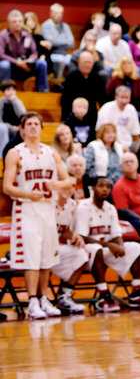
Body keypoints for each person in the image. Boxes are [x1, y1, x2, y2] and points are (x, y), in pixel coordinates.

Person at [2, 112, 72, 320]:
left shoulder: (51, 153)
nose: (33, 127)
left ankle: (44, 298)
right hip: (26, 209)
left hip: (48, 208)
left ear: (42, 129)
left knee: (47, 256)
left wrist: (58, 185)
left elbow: (68, 180)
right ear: (22, 129)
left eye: (36, 124)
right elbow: (6, 187)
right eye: (29, 124)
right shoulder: (15, 153)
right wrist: (27, 194)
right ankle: (32, 300)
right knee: (32, 256)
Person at [74, 177, 140, 311]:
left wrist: (119, 245)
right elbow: (82, 237)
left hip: (106, 248)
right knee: (96, 249)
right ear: (92, 188)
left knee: (137, 248)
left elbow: (116, 234)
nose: (105, 189)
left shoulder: (110, 208)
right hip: (87, 249)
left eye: (107, 187)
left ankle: (136, 292)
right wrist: (110, 246)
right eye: (101, 186)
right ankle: (103, 295)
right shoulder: (83, 207)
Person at [51, 178, 89, 314]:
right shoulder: (48, 202)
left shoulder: (72, 205)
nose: (68, 189)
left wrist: (74, 235)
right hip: (41, 247)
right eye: (65, 186)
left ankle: (65, 295)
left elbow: (64, 231)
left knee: (82, 253)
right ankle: (39, 299)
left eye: (71, 186)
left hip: (57, 247)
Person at [0, 9, 48, 92]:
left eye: (20, 21)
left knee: (42, 63)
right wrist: (16, 62)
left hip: (26, 65)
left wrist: (31, 60)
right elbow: (1, 54)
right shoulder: (3, 35)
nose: (17, 24)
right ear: (9, 23)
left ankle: (43, 91)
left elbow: (34, 52)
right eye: (14, 22)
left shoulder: (27, 35)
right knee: (4, 65)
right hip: (12, 65)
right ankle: (4, 91)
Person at [111, 152, 140, 237]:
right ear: (121, 167)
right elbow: (122, 210)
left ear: (137, 163)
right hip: (138, 221)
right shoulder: (118, 186)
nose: (129, 164)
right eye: (126, 162)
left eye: (132, 161)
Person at [105, 56, 140, 136]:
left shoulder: (138, 79)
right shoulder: (115, 79)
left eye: (129, 64)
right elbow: (107, 95)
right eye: (124, 64)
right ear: (120, 66)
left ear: (133, 66)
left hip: (136, 110)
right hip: (119, 110)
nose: (127, 66)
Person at [61, 50, 106, 128]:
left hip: (92, 116)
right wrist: (65, 118)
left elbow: (102, 99)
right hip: (74, 116)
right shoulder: (71, 77)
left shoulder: (97, 78)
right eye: (85, 62)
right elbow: (65, 100)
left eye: (89, 62)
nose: (87, 65)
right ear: (79, 63)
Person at [96, 85, 140, 150]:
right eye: (122, 97)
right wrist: (119, 147)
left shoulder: (131, 109)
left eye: (127, 98)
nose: (124, 101)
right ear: (116, 97)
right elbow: (101, 133)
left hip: (129, 145)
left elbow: (136, 133)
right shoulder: (106, 109)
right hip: (111, 146)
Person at [40, 3, 74, 79]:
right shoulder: (46, 25)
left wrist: (56, 40)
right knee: (60, 60)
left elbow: (71, 44)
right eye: (56, 13)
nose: (59, 15)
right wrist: (64, 41)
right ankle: (57, 82)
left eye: (61, 13)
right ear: (51, 14)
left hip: (64, 54)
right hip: (51, 54)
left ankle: (70, 82)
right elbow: (50, 43)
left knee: (75, 58)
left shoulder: (65, 26)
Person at [84, 123, 124, 188]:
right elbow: (87, 167)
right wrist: (100, 180)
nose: (111, 135)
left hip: (119, 181)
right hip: (101, 182)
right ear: (101, 134)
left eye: (113, 132)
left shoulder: (119, 147)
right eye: (108, 133)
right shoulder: (93, 146)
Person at [0, 79, 26, 155]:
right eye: (8, 90)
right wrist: (10, 127)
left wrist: (14, 101)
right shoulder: (1, 102)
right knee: (2, 128)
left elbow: (23, 115)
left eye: (13, 90)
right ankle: (2, 153)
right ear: (3, 92)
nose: (11, 92)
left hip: (18, 128)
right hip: (5, 127)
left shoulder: (18, 102)